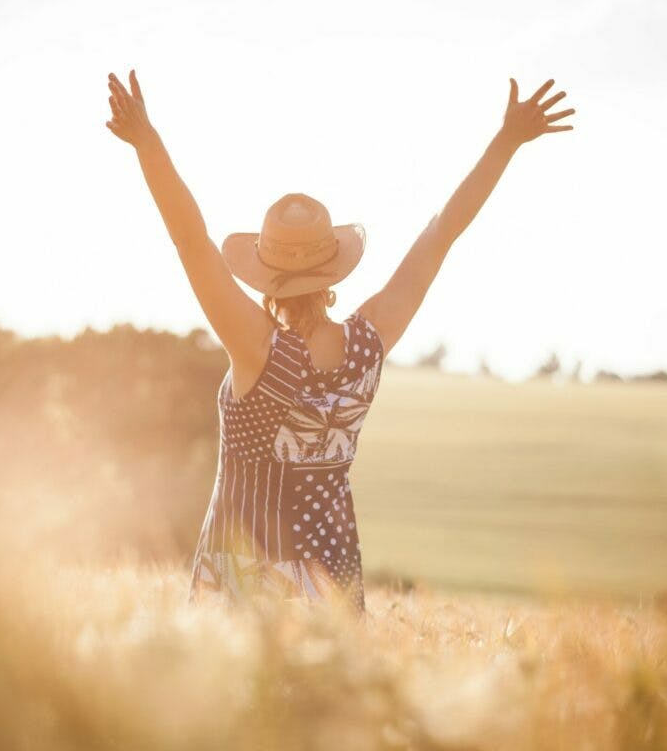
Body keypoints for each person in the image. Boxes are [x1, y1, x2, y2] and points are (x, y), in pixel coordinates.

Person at [104, 69, 574, 614]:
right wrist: (506, 141)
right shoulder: (369, 342)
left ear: (264, 272)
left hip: (247, 577)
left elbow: (189, 240)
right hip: (332, 575)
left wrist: (147, 141)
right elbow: (442, 231)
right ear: (333, 271)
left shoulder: (256, 347)